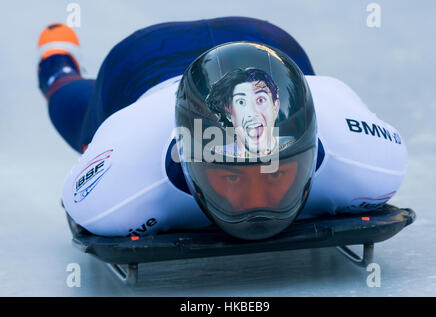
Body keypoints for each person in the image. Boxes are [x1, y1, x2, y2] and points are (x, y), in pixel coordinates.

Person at [37, 17, 407, 240]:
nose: (256, 207)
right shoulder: (118, 190)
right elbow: (79, 191)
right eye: (231, 178)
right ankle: (57, 65)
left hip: (271, 48)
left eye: (275, 172)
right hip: (142, 62)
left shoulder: (365, 157)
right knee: (74, 109)